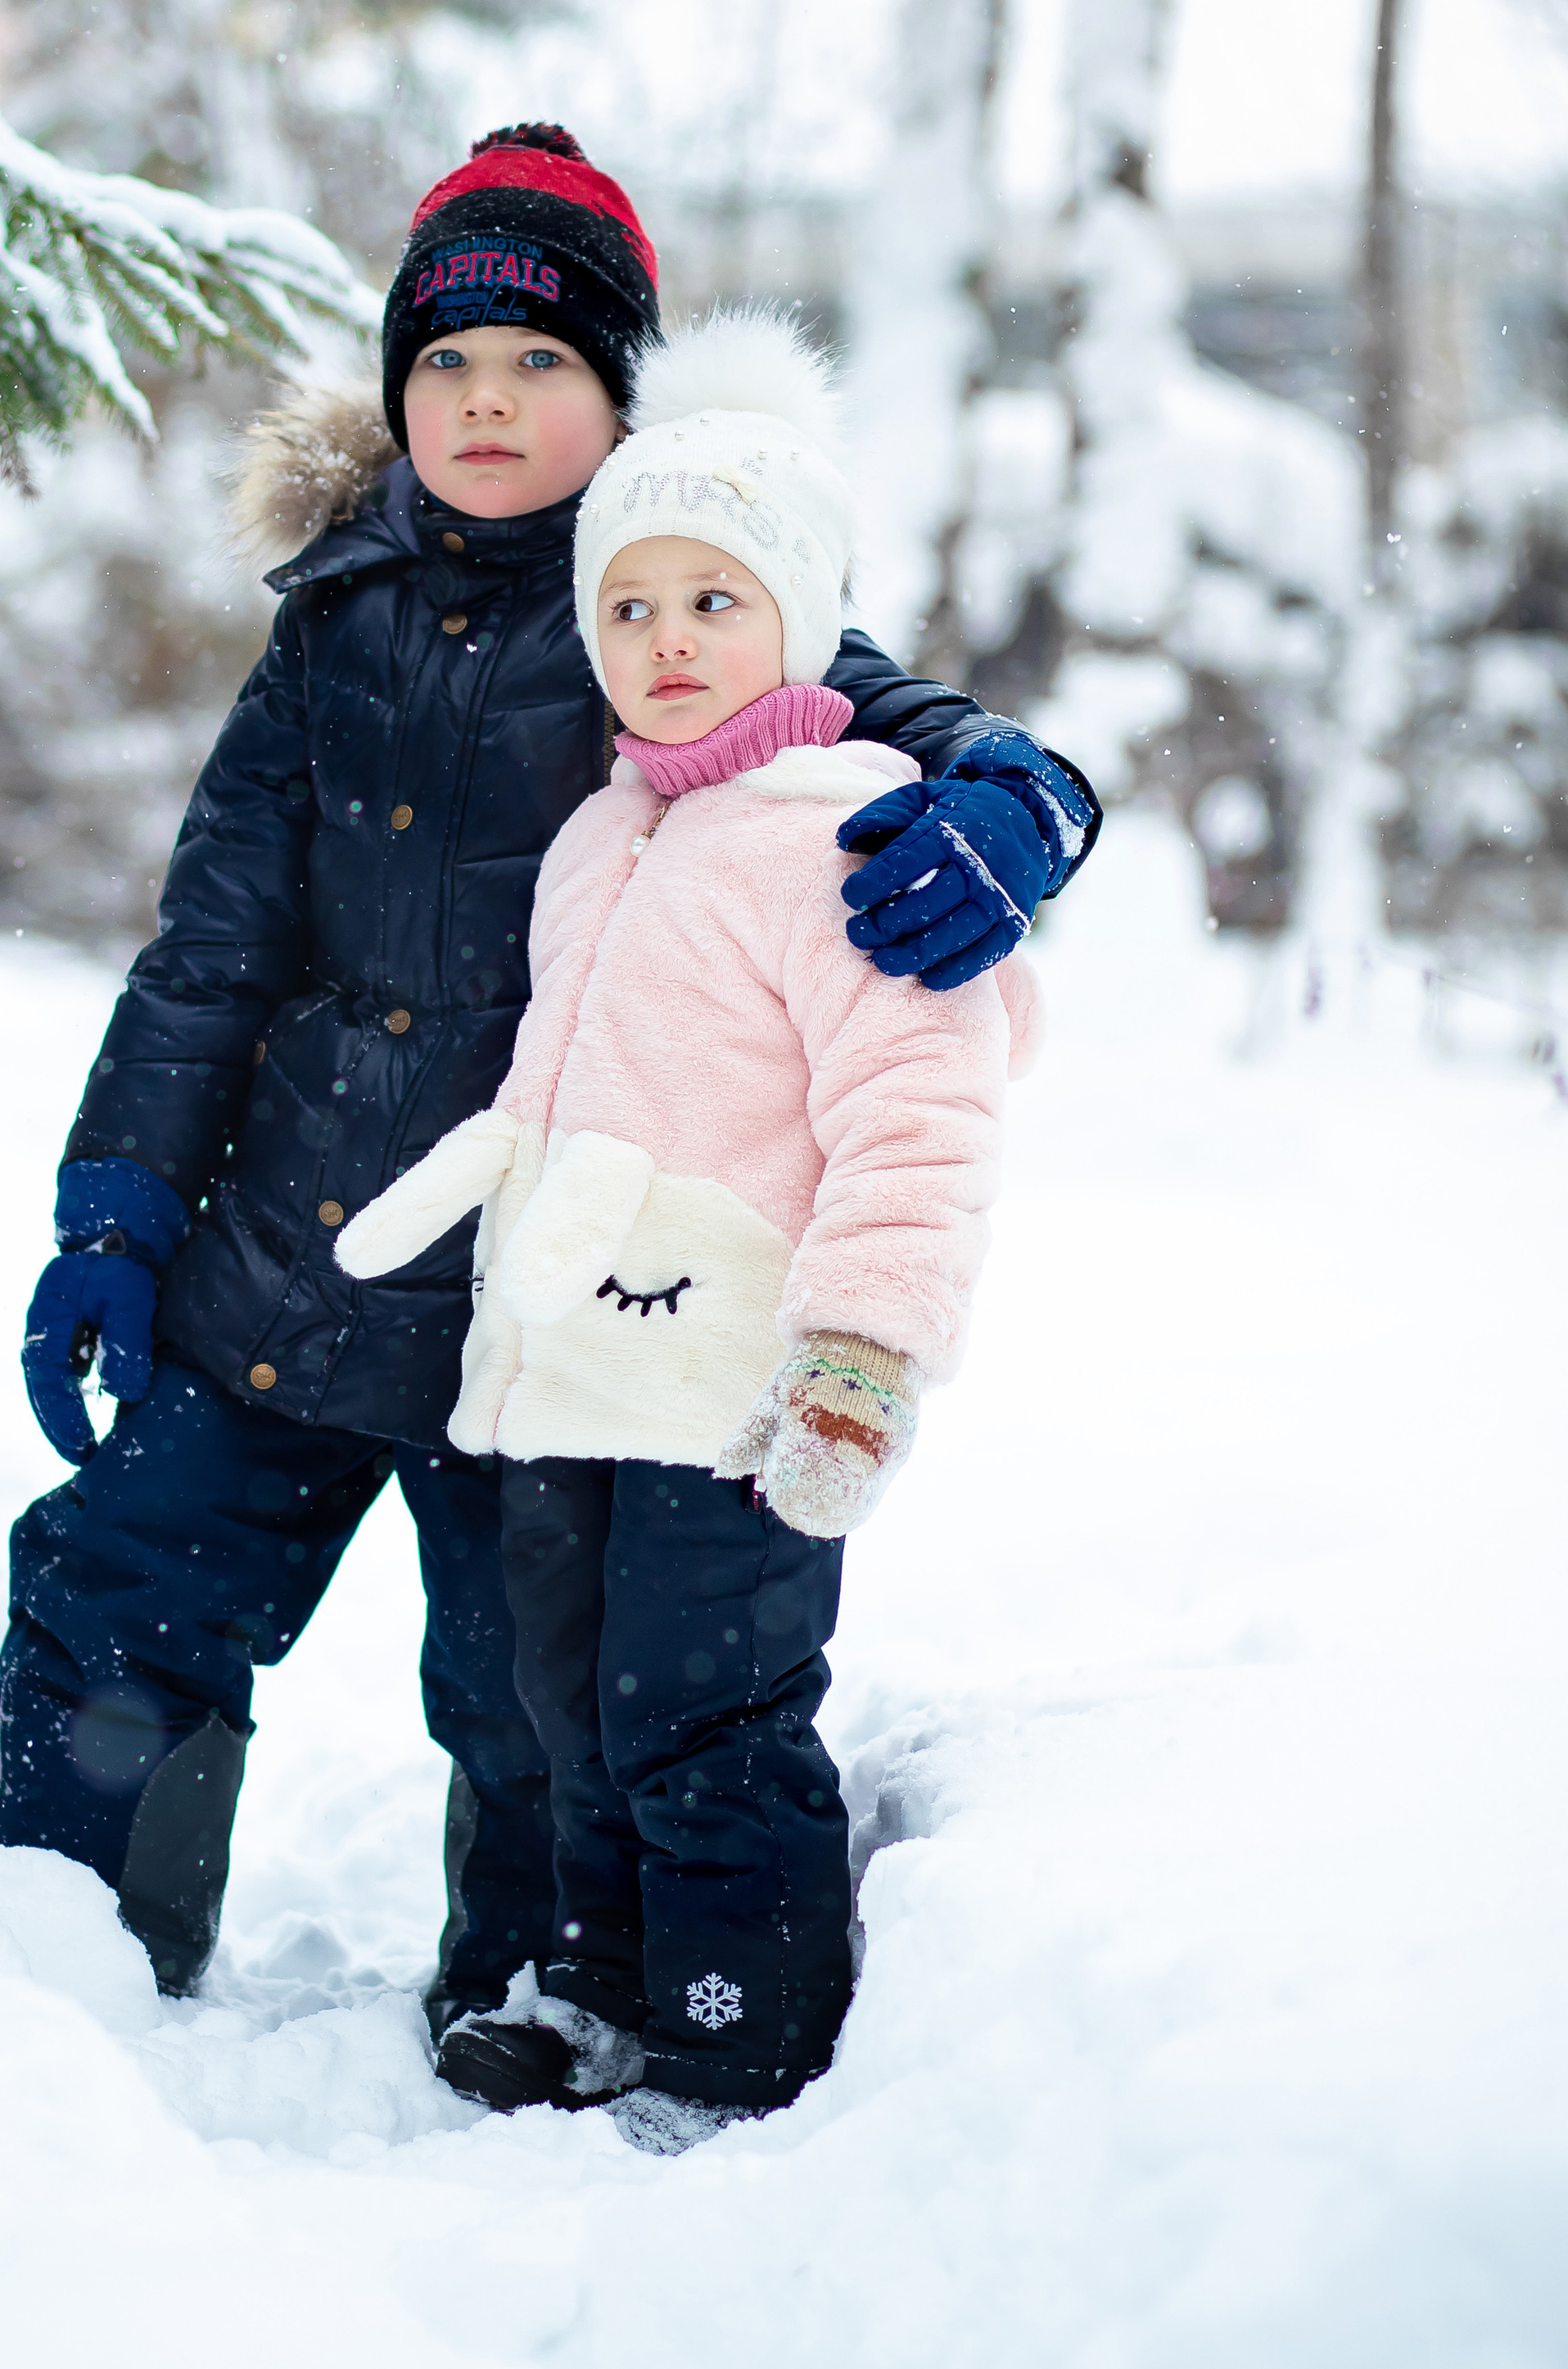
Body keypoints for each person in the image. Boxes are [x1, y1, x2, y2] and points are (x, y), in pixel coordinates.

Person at [0, 125, 1097, 2032]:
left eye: (539, 367)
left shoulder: (672, 597)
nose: (483, 405)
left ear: (624, 396)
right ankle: (47, 1958)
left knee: (534, 1691)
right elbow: (211, 948)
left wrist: (1024, 795)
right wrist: (116, 1211)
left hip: (552, 1296)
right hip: (291, 1244)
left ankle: (533, 1990)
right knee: (120, 1588)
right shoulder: (327, 616)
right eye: (444, 365)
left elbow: (897, 714)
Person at [337, 309, 1045, 2152]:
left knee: (705, 1703)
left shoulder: (847, 836)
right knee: (559, 1692)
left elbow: (917, 1119)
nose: (664, 643)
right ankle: (596, 1978)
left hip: (736, 1376)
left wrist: (861, 1348)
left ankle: (744, 2019)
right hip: (567, 1367)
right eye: (629, 606)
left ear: (800, 618)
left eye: (711, 602)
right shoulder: (601, 836)